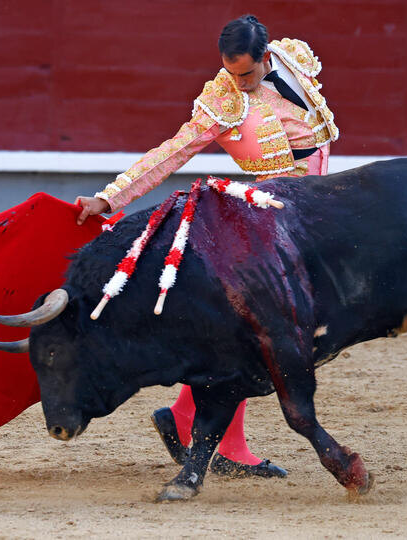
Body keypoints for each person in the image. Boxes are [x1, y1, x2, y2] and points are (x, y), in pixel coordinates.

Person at [74, 14, 338, 478]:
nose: (240, 83)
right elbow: (171, 152)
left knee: (264, 330)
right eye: (231, 73)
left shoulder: (294, 57)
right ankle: (216, 436)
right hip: (273, 214)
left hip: (314, 207)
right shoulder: (222, 100)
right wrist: (108, 197)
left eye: (248, 74)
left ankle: (185, 417)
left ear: (267, 54)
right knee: (257, 331)